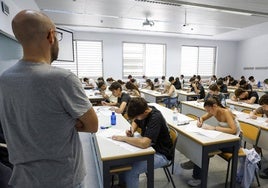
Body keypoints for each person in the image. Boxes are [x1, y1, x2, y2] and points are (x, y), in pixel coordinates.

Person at [0, 10, 98, 188]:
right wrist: (65, 121)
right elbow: (92, 125)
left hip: (23, 179)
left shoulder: (4, 79)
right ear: (51, 35)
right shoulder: (62, 78)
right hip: (62, 178)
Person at [111, 97, 173, 188]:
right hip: (150, 149)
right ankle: (123, 184)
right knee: (124, 162)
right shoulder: (144, 109)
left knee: (132, 170)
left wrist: (124, 138)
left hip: (162, 154)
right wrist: (132, 130)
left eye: (137, 116)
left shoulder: (155, 117)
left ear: (145, 112)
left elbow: (144, 143)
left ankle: (126, 183)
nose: (136, 118)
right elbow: (135, 121)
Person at [187, 97, 240, 187]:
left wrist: (214, 128)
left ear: (215, 106)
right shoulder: (214, 111)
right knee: (201, 146)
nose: (209, 113)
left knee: (204, 150)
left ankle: (198, 174)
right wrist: (200, 121)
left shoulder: (226, 112)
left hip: (234, 142)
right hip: (223, 138)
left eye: (209, 110)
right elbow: (203, 117)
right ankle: (195, 161)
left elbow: (233, 130)